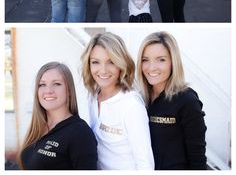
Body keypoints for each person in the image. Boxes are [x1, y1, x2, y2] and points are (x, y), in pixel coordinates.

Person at [81, 32, 154, 170]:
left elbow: (145, 163)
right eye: (95, 62)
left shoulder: (131, 105)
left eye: (111, 62)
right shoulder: (91, 97)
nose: (103, 70)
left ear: (121, 65)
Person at [137, 32, 207, 170]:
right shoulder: (139, 100)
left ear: (173, 62)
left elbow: (197, 160)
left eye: (161, 59)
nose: (151, 67)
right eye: (145, 60)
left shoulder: (187, 101)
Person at [19, 61, 97, 170]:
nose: (48, 91)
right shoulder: (38, 128)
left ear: (69, 90)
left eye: (56, 84)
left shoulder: (80, 133)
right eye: (42, 85)